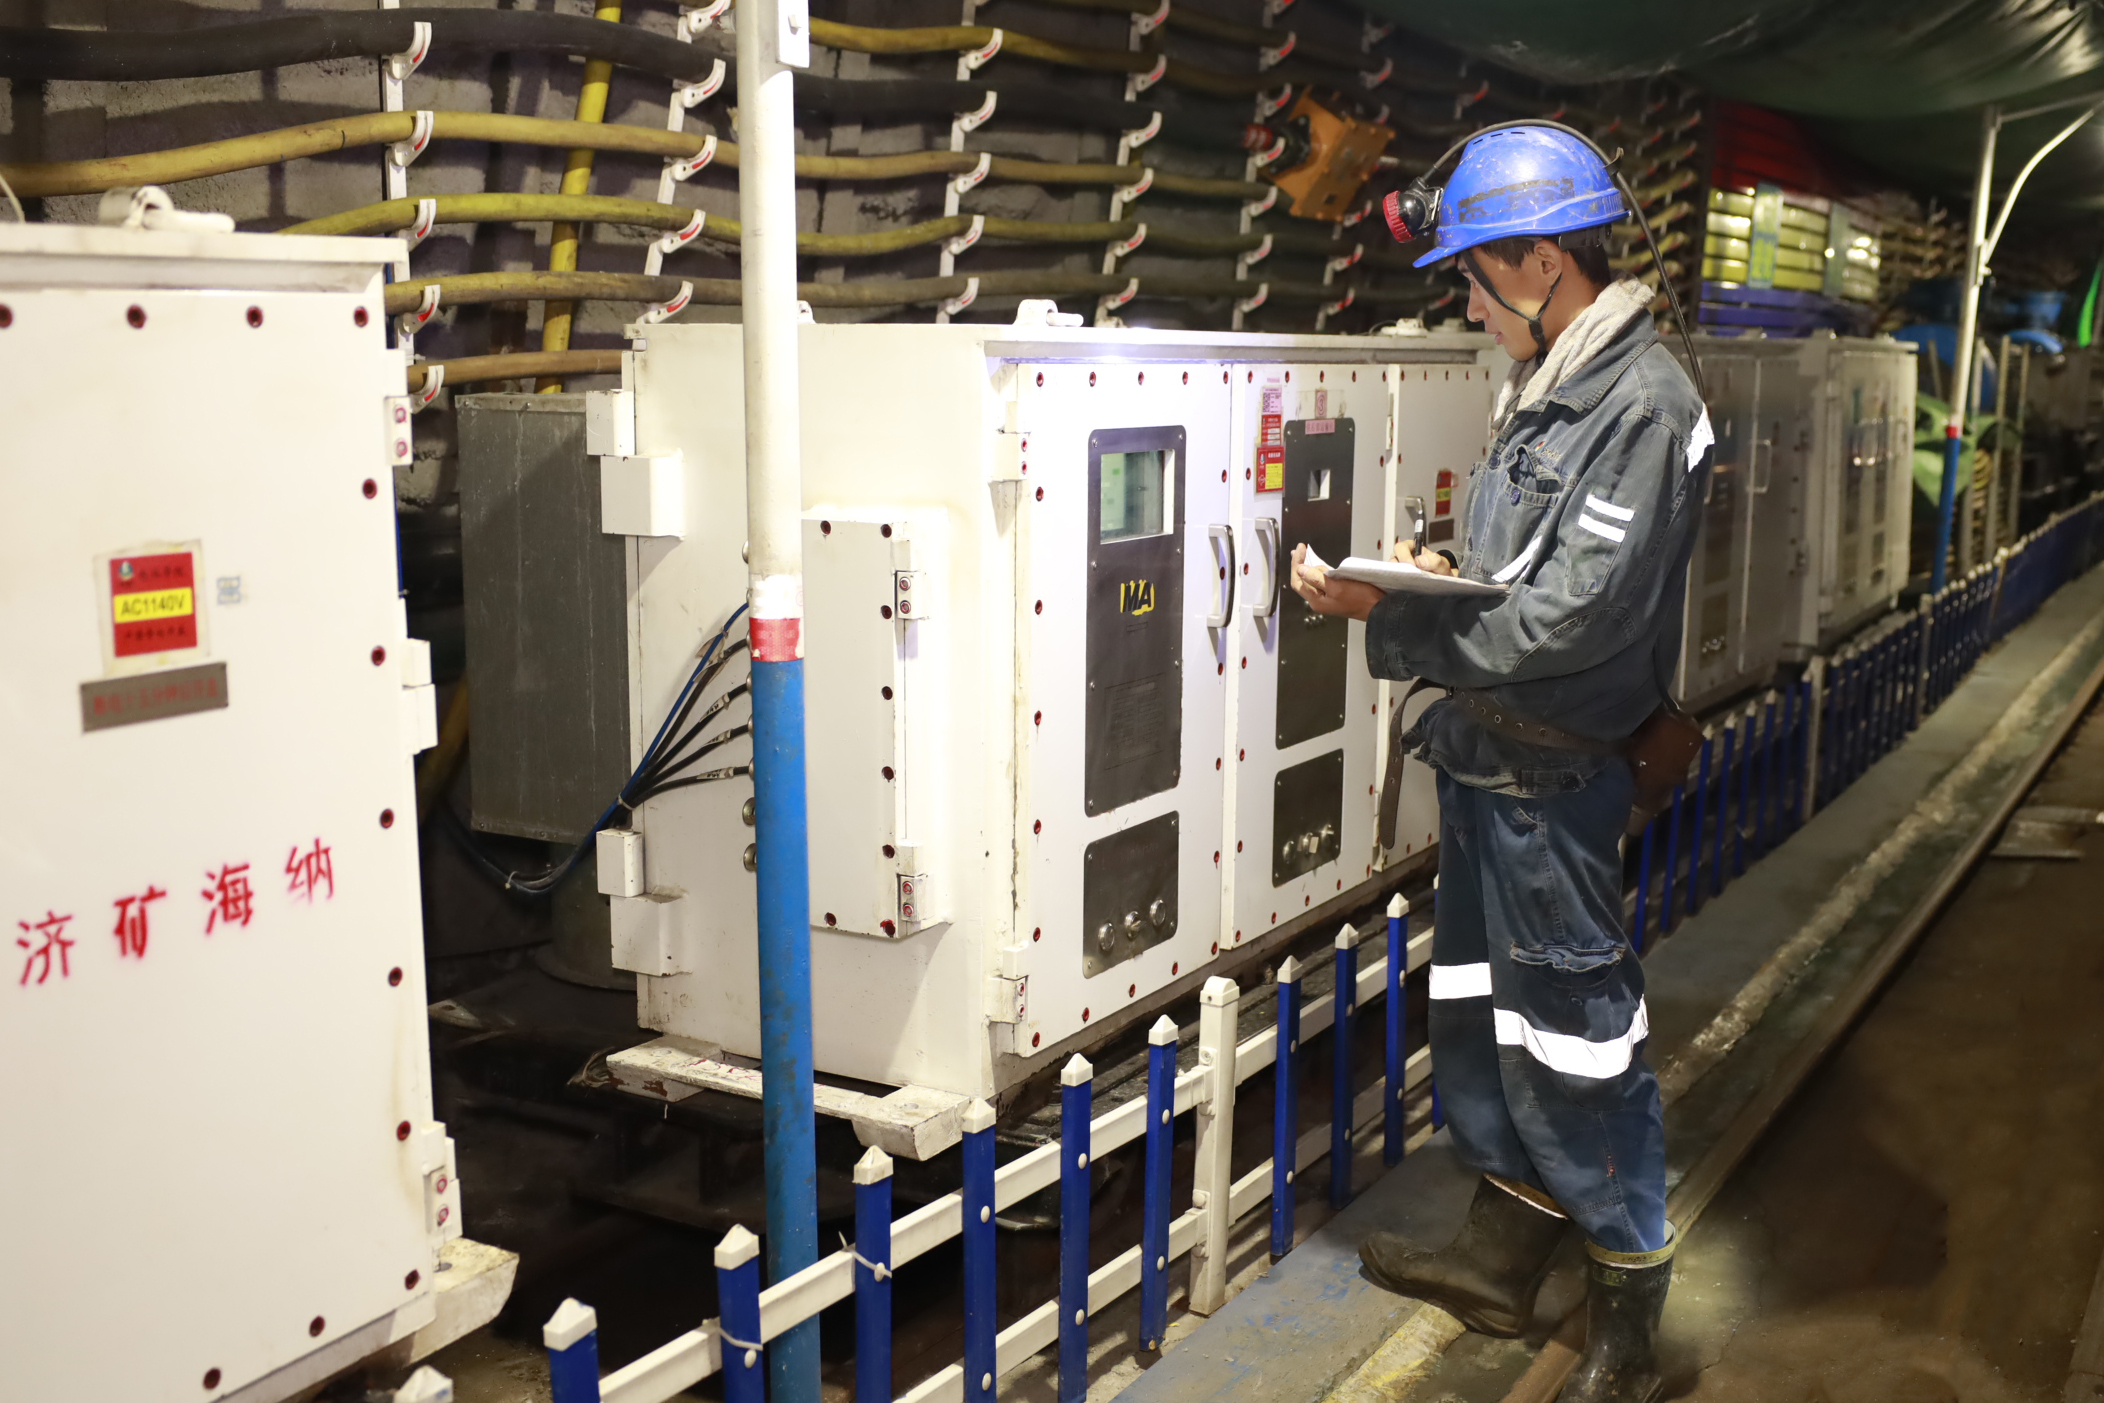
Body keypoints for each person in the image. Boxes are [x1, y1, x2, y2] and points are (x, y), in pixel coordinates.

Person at [1290, 126, 1712, 1403]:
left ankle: (1629, 1314)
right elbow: (1521, 572)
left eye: (1476, 278)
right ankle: (1498, 1251)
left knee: (1578, 1042)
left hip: (1553, 781)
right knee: (1482, 1019)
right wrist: (1432, 571)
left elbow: (1569, 619)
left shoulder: (1641, 407)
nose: (1467, 305)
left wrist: (1390, 614)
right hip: (1491, 760)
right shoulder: (1555, 381)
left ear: (1542, 262)